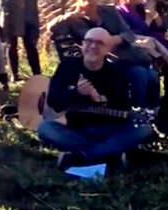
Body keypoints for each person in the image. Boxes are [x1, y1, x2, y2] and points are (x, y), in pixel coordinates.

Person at [38, 28, 155, 170]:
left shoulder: (116, 73)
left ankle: (83, 155)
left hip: (108, 132)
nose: (93, 46)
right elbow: (53, 101)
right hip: (76, 131)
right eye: (89, 41)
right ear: (82, 45)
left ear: (107, 50)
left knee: (144, 129)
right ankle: (106, 154)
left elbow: (123, 109)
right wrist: (77, 93)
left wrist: (100, 100)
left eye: (99, 43)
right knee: (45, 127)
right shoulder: (67, 66)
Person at [48, 0, 159, 108]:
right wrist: (70, 15)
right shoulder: (73, 20)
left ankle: (153, 115)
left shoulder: (110, 12)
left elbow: (129, 34)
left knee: (152, 75)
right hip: (101, 63)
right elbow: (51, 28)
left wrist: (114, 40)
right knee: (139, 75)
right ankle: (135, 115)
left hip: (123, 57)